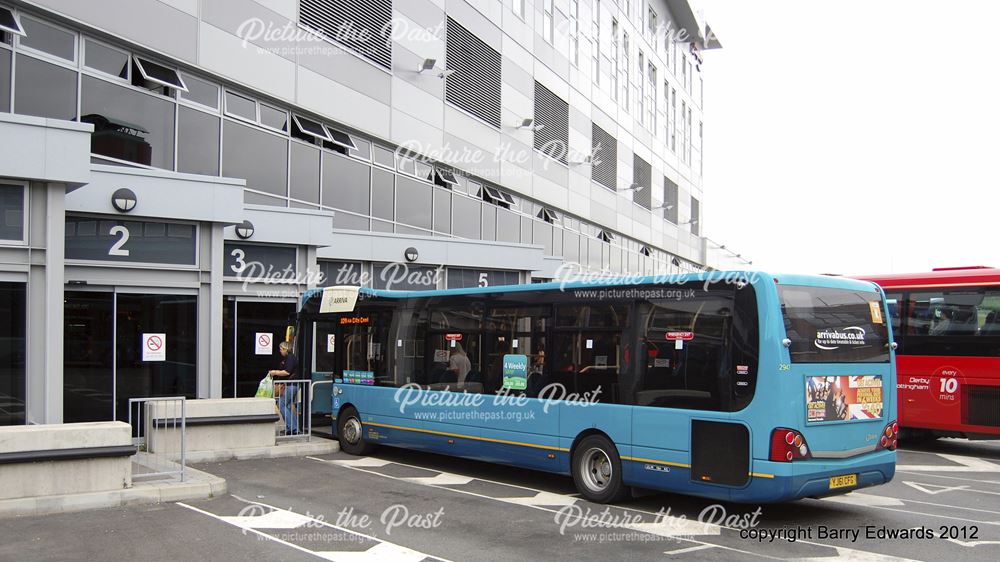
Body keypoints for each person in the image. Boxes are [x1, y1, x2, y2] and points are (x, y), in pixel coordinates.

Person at [269, 341, 299, 434]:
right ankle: (294, 428)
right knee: (288, 406)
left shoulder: (290, 358)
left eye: (281, 349)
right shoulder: (289, 358)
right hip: (291, 385)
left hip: (290, 385)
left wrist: (274, 372)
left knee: (281, 405)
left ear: (286, 349)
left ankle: (292, 428)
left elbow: (287, 372)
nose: (280, 351)